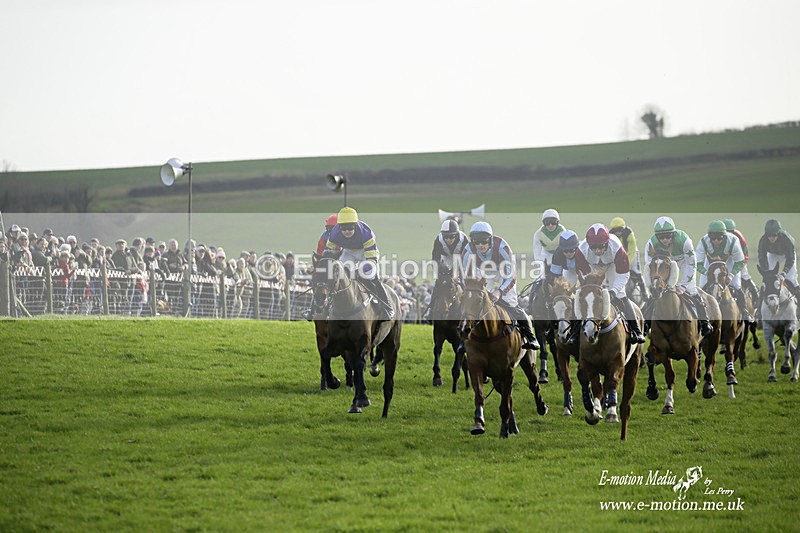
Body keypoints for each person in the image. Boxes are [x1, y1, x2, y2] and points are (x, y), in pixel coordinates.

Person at [461, 221, 539, 350]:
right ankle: (463, 338)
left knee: (511, 303)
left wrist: (499, 292)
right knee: (474, 303)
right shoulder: (468, 251)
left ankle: (531, 337)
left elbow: (510, 277)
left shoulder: (502, 248)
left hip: (503, 272)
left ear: (490, 240)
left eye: (484, 242)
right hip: (483, 273)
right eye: (477, 242)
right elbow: (465, 278)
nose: (480, 245)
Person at [574, 223, 646, 344]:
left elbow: (624, 273)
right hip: (593, 266)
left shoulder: (616, 247)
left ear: (607, 243)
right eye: (594, 248)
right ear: (589, 245)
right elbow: (583, 274)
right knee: (587, 296)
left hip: (613, 265)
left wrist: (613, 291)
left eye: (601, 247)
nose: (597, 251)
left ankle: (636, 331)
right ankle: (574, 332)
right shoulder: (581, 250)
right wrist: (592, 288)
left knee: (620, 294)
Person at [643, 216, 713, 337]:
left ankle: (704, 322)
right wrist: (654, 284)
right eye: (661, 237)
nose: (664, 240)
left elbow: (692, 264)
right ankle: (646, 324)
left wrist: (684, 285)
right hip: (664, 264)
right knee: (653, 294)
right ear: (656, 236)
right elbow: (650, 266)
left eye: (668, 236)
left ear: (673, 234)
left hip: (684, 262)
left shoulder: (684, 240)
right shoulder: (651, 243)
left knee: (692, 290)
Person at [325, 206, 394, 320]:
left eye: (350, 227)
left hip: (365, 253)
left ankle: (387, 306)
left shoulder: (366, 234)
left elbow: (371, 261)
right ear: (339, 227)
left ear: (356, 225)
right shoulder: (334, 233)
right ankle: (328, 305)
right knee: (340, 274)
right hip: (348, 251)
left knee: (370, 275)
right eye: (343, 228)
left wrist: (358, 271)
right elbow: (328, 253)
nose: (347, 231)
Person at [696, 220, 752, 322]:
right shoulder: (703, 241)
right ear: (709, 236)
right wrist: (706, 273)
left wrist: (731, 275)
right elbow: (698, 263)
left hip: (729, 262)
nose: (716, 241)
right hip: (710, 263)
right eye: (713, 238)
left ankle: (745, 312)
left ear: (724, 236)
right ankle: (700, 314)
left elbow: (740, 261)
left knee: (736, 285)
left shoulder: (733, 241)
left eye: (719, 237)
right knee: (701, 286)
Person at [757, 219, 800, 301]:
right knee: (768, 278)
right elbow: (762, 257)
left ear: (779, 233)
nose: (771, 238)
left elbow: (790, 259)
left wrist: (784, 272)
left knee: (792, 279)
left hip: (787, 255)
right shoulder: (763, 240)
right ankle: (759, 307)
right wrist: (766, 271)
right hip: (773, 254)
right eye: (769, 235)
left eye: (774, 235)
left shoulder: (787, 240)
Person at [609, 217, 647, 300]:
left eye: (620, 230)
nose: (618, 233)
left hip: (631, 252)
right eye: (615, 231)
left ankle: (644, 292)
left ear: (623, 228)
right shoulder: (610, 235)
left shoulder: (629, 234)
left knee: (637, 272)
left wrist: (627, 264)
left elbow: (631, 251)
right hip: (618, 254)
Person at [723, 218, 759, 301]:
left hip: (738, 259)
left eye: (731, 232)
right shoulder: (720, 236)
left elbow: (745, 252)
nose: (729, 235)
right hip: (725, 259)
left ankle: (756, 296)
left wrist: (743, 263)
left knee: (744, 275)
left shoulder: (738, 236)